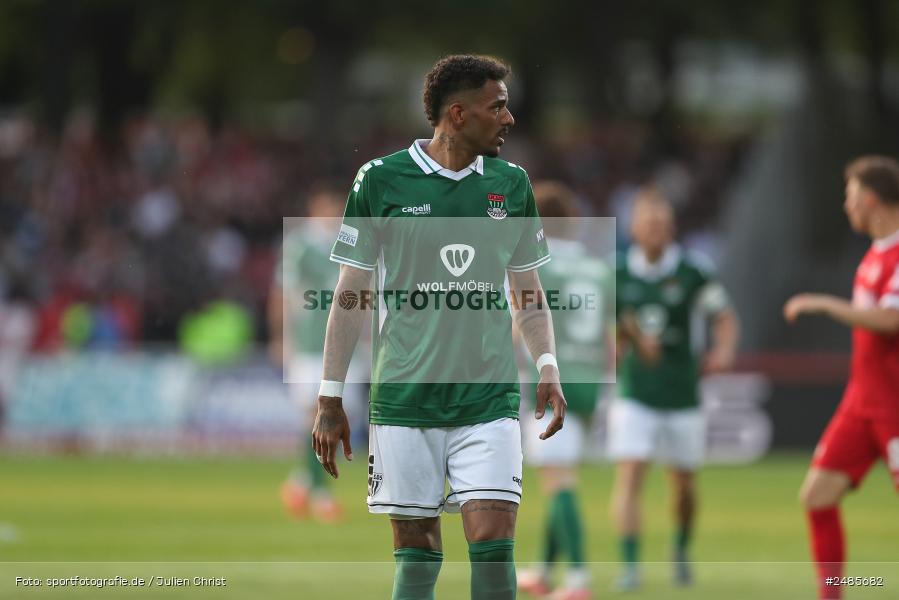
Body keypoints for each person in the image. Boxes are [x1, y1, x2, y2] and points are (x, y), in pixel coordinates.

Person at [312, 54, 567, 600]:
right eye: (496, 106)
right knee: (417, 552)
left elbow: (528, 292)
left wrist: (548, 365)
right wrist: (330, 396)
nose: (509, 117)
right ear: (457, 114)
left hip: (489, 400)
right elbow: (351, 293)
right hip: (406, 400)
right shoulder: (380, 181)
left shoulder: (512, 185)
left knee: (494, 541)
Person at [609, 185, 740, 591]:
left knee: (683, 485)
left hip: (683, 392)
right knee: (630, 474)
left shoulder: (693, 270)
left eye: (663, 223)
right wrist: (617, 346)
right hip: (636, 393)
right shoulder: (616, 272)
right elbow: (606, 326)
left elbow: (724, 316)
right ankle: (631, 567)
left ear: (672, 228)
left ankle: (681, 548)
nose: (656, 230)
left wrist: (724, 351)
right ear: (634, 228)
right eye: (649, 223)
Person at [783, 155, 899, 600]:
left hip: (893, 407)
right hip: (861, 403)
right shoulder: (872, 256)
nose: (846, 207)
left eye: (850, 197)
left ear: (870, 199)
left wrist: (823, 304)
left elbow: (889, 322)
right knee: (817, 496)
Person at [516, 182, 615, 600]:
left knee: (559, 480)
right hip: (590, 381)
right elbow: (613, 343)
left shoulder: (533, 266)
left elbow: (519, 325)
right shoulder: (599, 269)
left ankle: (577, 581)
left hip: (547, 381)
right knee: (560, 476)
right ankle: (543, 570)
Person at [269, 184, 353, 522]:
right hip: (308, 344)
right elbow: (283, 292)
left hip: (344, 346)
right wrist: (280, 336)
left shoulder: (350, 243)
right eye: (326, 205)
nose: (332, 213)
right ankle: (319, 494)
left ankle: (301, 483)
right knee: (315, 415)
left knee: (339, 418)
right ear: (315, 207)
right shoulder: (300, 245)